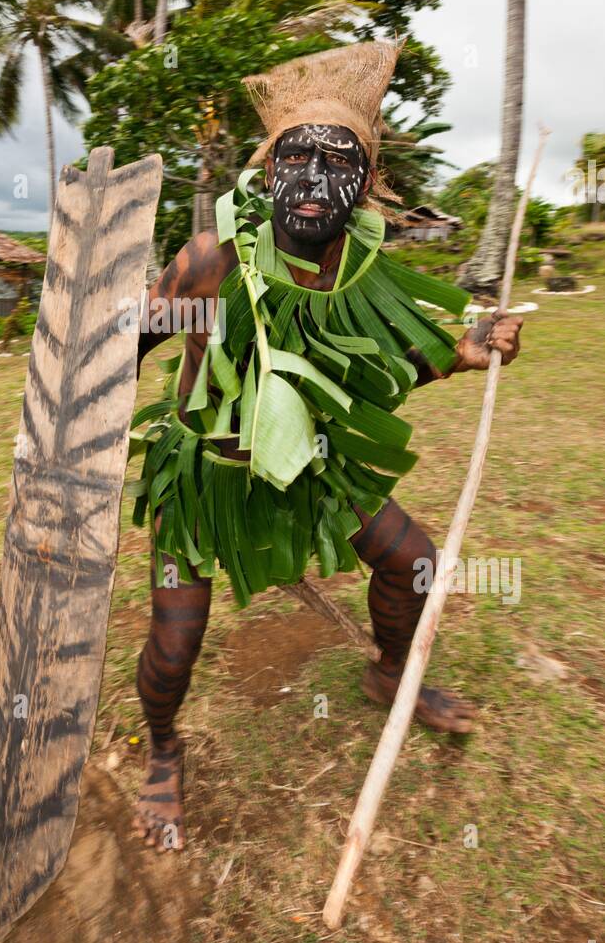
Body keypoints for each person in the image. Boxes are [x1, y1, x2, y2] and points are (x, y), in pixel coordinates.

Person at [130, 41, 523, 852]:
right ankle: (163, 749)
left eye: (337, 162)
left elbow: (381, 371)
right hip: (207, 479)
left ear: (369, 185)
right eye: (294, 157)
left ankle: (389, 673)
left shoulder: (362, 276)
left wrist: (470, 346)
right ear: (265, 170)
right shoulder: (211, 266)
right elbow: (126, 351)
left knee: (412, 562)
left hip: (311, 465)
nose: (312, 180)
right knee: (173, 650)